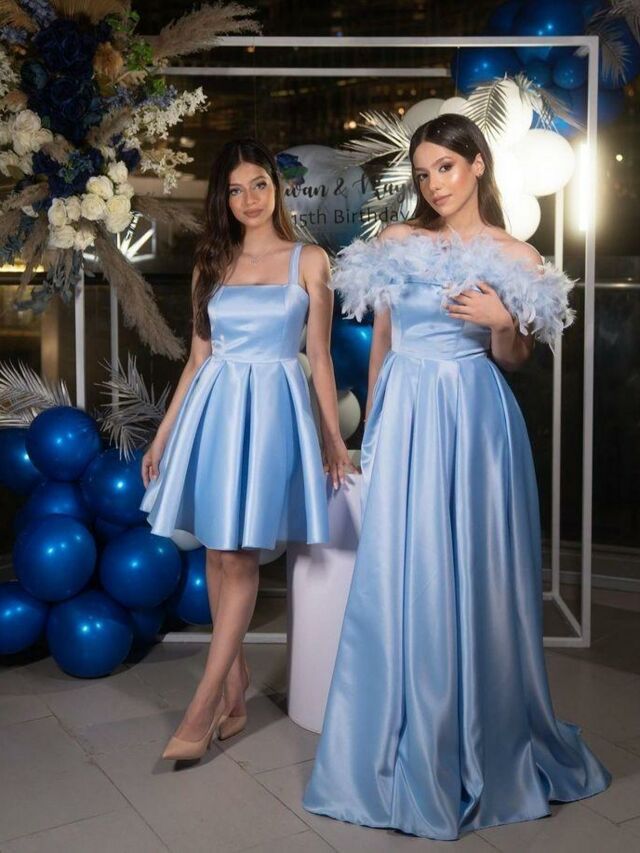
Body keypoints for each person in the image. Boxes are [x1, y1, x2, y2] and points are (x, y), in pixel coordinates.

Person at [303, 114, 610, 839]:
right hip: (407, 415)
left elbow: (514, 359)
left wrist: (502, 320)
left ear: (477, 164)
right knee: (401, 573)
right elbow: (382, 343)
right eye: (424, 173)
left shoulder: (516, 254)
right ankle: (395, 738)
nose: (434, 183)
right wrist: (375, 429)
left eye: (446, 166)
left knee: (477, 573)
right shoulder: (396, 241)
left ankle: (483, 734)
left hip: (477, 421)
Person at [140, 138, 351, 762]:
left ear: (276, 188)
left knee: (239, 555)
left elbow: (319, 357)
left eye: (259, 184)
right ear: (224, 199)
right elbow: (197, 357)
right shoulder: (212, 262)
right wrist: (164, 434)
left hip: (271, 415)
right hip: (215, 409)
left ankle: (203, 704)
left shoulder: (309, 260)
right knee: (216, 548)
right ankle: (233, 692)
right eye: (236, 190)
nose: (249, 199)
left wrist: (332, 439)